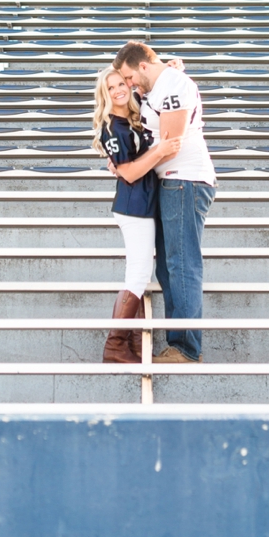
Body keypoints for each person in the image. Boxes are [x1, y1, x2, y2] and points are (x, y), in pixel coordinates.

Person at [114, 39, 216, 364]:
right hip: (169, 180)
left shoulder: (172, 83)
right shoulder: (156, 86)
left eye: (130, 77)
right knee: (168, 266)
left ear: (143, 65)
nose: (129, 85)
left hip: (184, 179)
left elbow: (172, 143)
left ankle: (186, 347)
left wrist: (132, 164)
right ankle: (179, 343)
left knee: (181, 263)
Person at [90, 66, 174, 364]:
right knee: (137, 274)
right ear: (105, 94)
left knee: (139, 273)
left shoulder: (132, 115)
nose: (118, 90)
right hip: (133, 205)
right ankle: (115, 346)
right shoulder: (112, 127)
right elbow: (129, 173)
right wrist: (161, 150)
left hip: (144, 203)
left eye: (120, 84)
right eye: (110, 88)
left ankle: (137, 347)